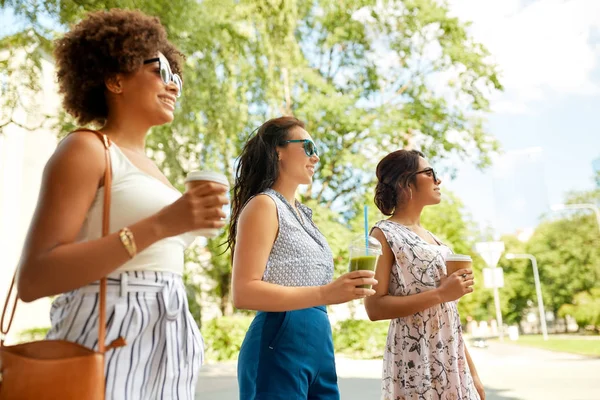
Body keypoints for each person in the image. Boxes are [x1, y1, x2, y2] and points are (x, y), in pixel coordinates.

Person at [15, 9, 228, 399]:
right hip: (108, 333)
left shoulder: (154, 170)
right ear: (115, 79)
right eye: (160, 69)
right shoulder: (87, 149)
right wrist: (164, 224)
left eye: (176, 75)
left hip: (168, 334)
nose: (174, 85)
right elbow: (33, 278)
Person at [227, 116, 378, 400]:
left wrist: (342, 289)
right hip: (278, 342)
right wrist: (327, 292)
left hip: (320, 342)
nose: (316, 157)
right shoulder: (264, 205)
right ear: (277, 151)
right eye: (308, 147)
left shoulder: (305, 215)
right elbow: (243, 292)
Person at [364, 149, 485, 400]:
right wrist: (441, 293)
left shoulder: (436, 241)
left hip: (452, 359)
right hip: (415, 359)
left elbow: (449, 315)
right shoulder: (383, 234)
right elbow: (374, 307)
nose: (438, 180)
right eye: (430, 173)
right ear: (404, 181)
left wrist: (472, 373)